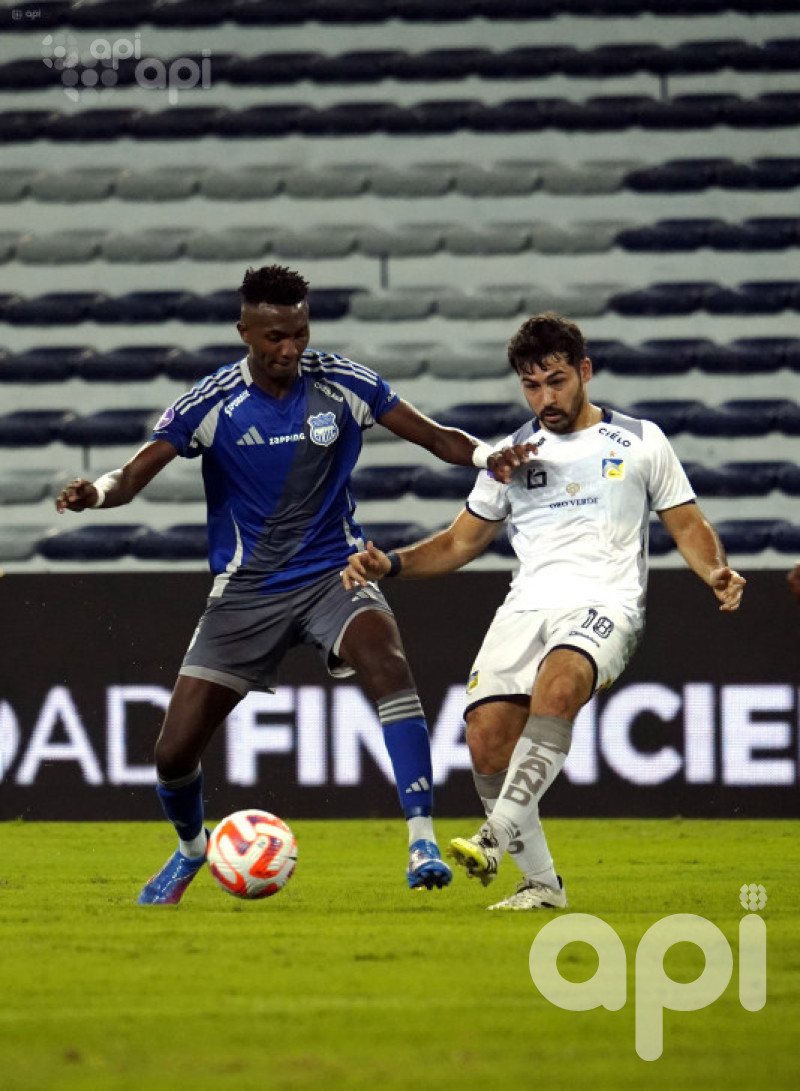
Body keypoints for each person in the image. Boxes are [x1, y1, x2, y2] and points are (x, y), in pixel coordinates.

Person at [55, 264, 516, 904]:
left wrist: (487, 454)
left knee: (387, 663)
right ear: (245, 331)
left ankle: (421, 840)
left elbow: (437, 437)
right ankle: (192, 851)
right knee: (172, 753)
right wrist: (96, 493)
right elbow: (134, 475)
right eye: (274, 337)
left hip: (336, 573)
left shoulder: (344, 383)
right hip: (246, 594)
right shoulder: (212, 401)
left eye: (298, 333)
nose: (289, 349)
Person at [342, 312, 746, 911]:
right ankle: (542, 886)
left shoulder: (639, 440)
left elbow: (687, 523)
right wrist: (391, 564)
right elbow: (460, 542)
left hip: (606, 601)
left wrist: (714, 569)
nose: (545, 397)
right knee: (485, 739)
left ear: (584, 372)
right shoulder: (509, 455)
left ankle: (493, 835)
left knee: (559, 686)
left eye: (556, 381)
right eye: (532, 385)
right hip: (525, 608)